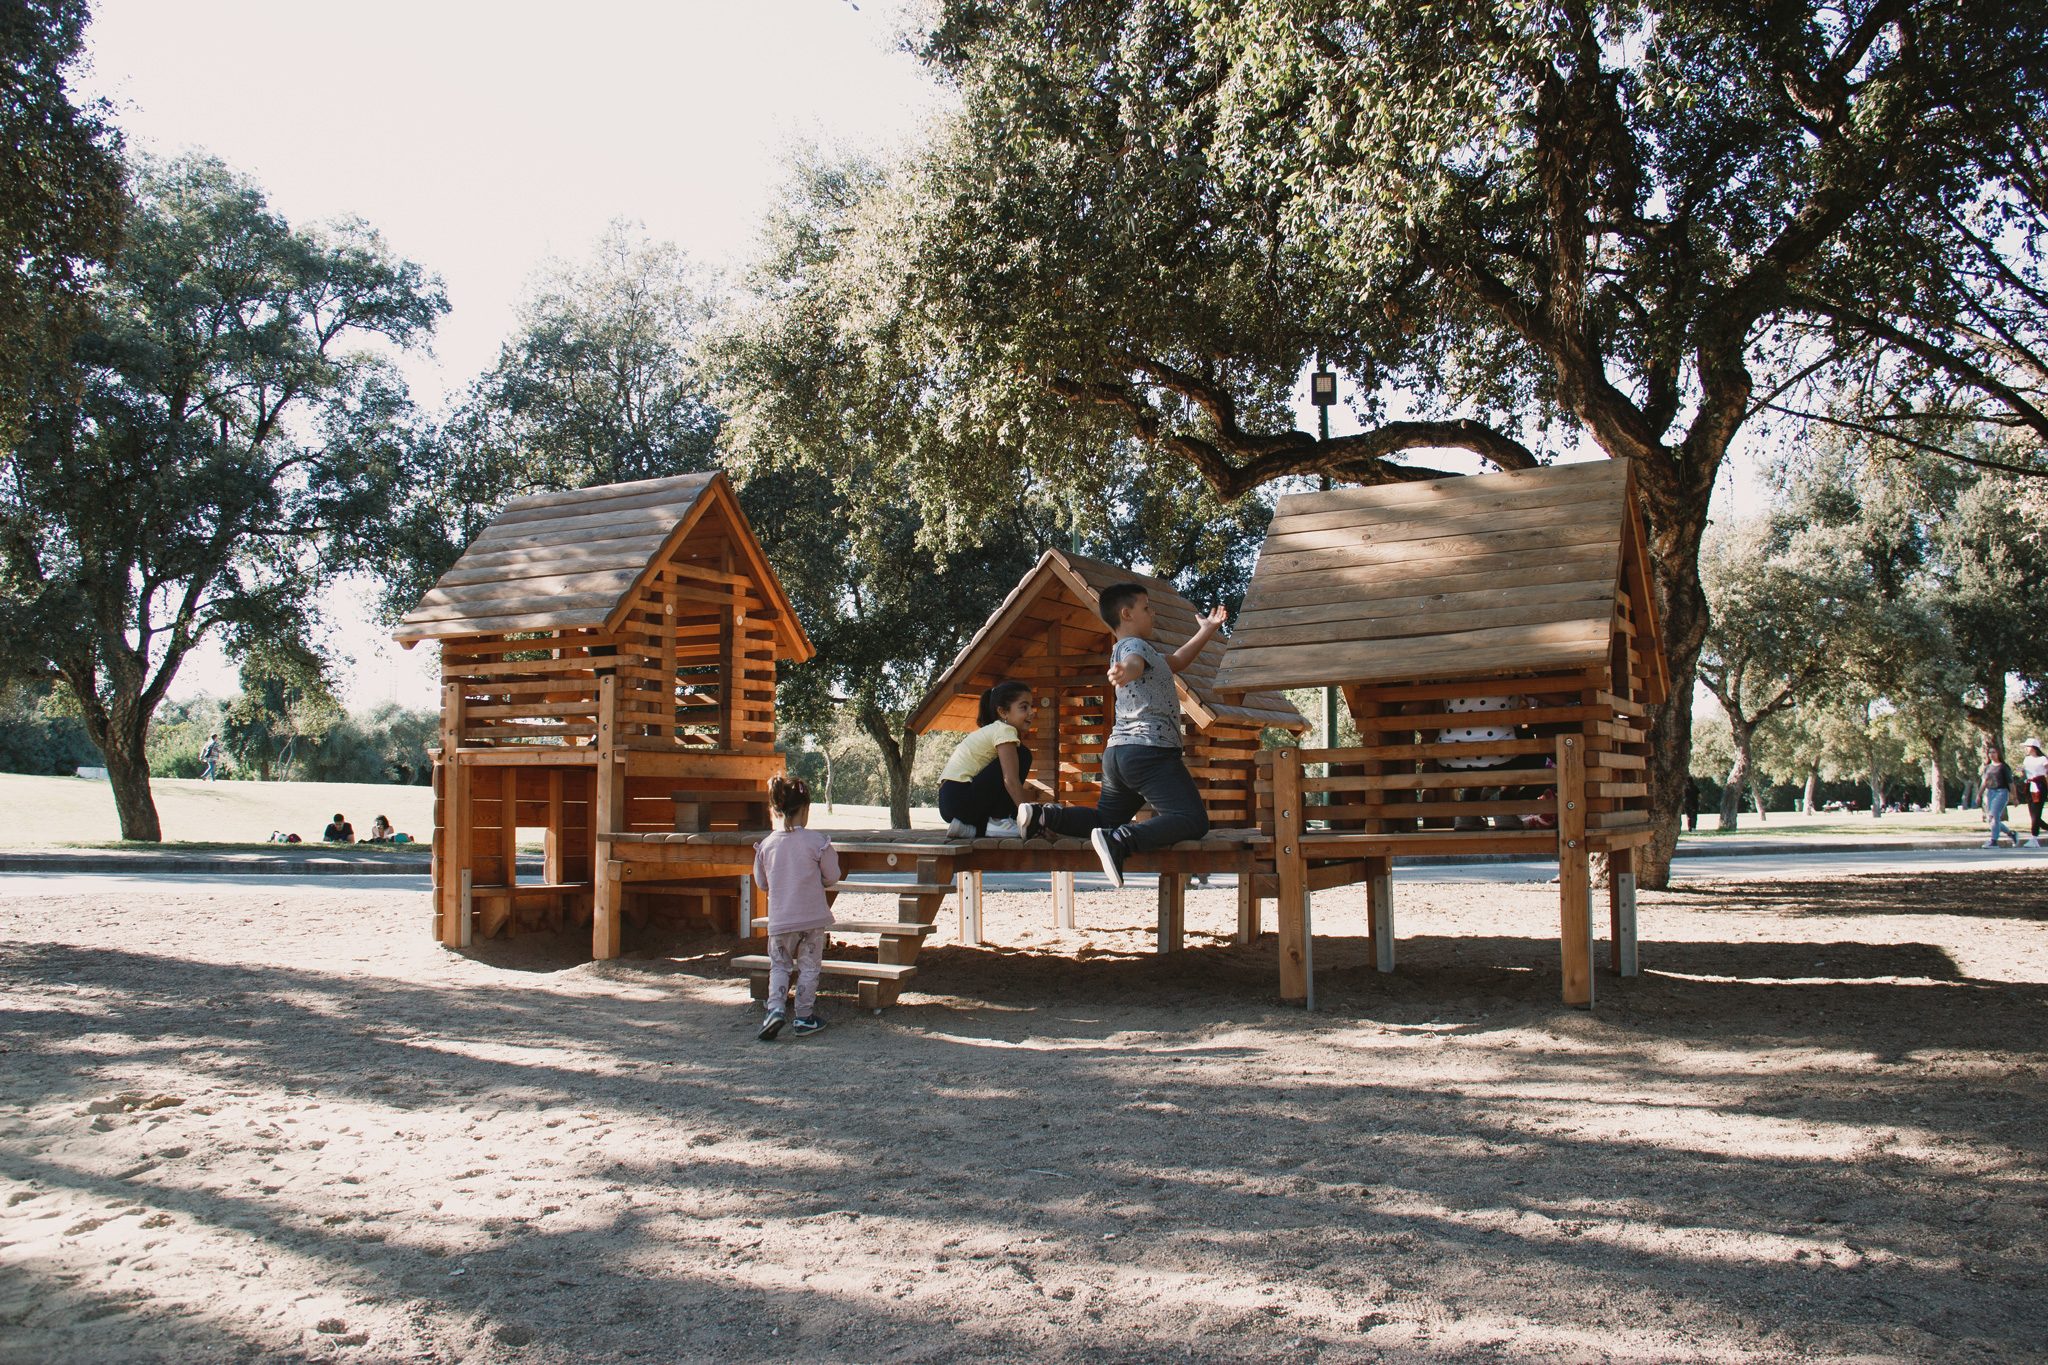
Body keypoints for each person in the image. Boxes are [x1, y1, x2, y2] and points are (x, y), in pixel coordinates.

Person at [1016, 583, 1226, 888]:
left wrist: (1207, 630)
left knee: (1104, 819)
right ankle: (1122, 840)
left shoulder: (1144, 651)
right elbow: (1133, 663)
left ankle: (1043, 818)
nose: (1153, 613)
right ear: (1127, 614)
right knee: (1192, 819)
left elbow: (1179, 661)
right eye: (1147, 608)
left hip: (1119, 754)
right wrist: (1126, 671)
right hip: (1150, 751)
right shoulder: (1133, 647)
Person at [752, 775, 839, 1041]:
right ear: (805, 809)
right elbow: (832, 876)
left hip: (780, 922)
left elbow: (762, 883)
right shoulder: (816, 842)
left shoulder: (766, 846)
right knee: (809, 967)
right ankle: (804, 1017)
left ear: (777, 808)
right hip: (812, 920)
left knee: (779, 966)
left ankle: (775, 1010)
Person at [936, 682, 1052, 839]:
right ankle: (1000, 821)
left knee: (1015, 758)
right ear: (1003, 712)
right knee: (1023, 754)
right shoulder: (1004, 730)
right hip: (960, 798)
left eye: (1032, 706)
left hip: (948, 805)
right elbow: (1010, 781)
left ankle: (972, 829)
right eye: (1024, 707)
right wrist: (1033, 820)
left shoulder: (992, 730)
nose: (1031, 712)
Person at [1981, 749, 2018, 848]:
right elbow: (1984, 781)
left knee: (1994, 816)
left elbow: (2011, 783)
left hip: (2001, 792)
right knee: (1990, 819)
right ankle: (2011, 833)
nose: (1991, 754)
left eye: (1994, 752)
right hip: (1990, 792)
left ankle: (1994, 841)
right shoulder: (1987, 767)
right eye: (1990, 753)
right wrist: (1979, 795)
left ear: (1998, 754)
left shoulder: (2003, 767)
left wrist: (2014, 797)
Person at [2021, 738, 2047, 848]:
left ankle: (2034, 838)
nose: (2026, 749)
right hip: (2030, 786)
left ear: (2034, 748)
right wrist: (2022, 772)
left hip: (2040, 786)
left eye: (2027, 747)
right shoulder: (2026, 760)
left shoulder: (2043, 759)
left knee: (2036, 813)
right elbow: (2027, 773)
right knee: (2033, 814)